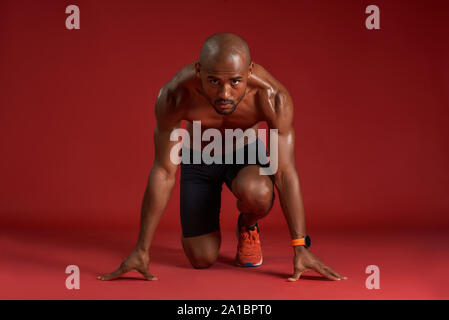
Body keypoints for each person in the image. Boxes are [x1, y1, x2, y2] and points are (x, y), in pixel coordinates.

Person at [98, 32, 347, 282]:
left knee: (258, 192)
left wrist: (300, 246)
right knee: (201, 258)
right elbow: (163, 171)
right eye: (214, 81)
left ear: (249, 72)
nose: (225, 93)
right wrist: (142, 249)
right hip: (199, 159)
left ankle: (248, 224)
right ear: (199, 71)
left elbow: (284, 173)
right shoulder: (175, 95)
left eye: (236, 82)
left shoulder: (272, 97)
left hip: (245, 155)